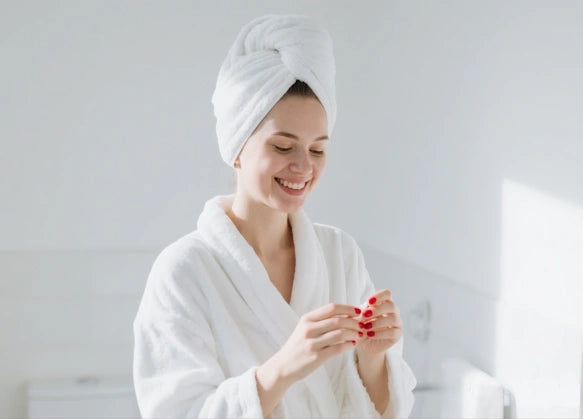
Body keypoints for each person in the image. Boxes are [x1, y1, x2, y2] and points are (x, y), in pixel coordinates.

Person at [133, 14, 416, 418]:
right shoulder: (184, 272)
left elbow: (379, 408)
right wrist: (283, 367)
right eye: (283, 146)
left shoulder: (339, 253)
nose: (304, 167)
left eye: (317, 149)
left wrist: (373, 359)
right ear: (237, 148)